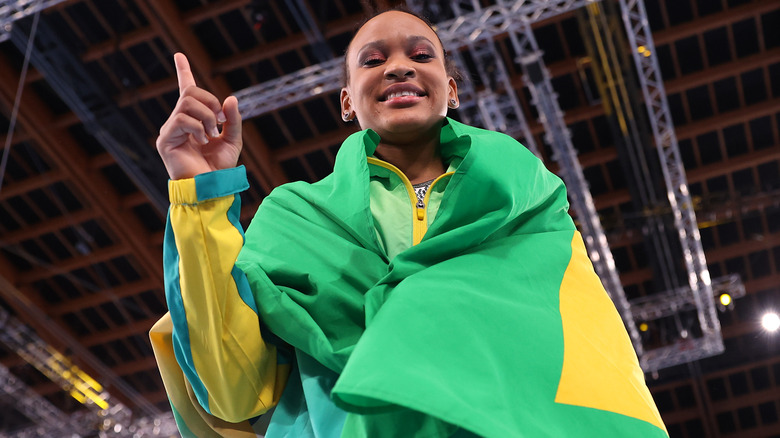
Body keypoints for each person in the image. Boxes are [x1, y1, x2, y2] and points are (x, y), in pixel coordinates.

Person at [149, 8, 668, 438]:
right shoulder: (294, 219)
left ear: (452, 88)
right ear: (348, 101)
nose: (399, 67)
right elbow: (232, 390)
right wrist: (200, 195)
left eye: (421, 55)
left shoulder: (528, 205)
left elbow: (583, 355)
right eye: (373, 61)